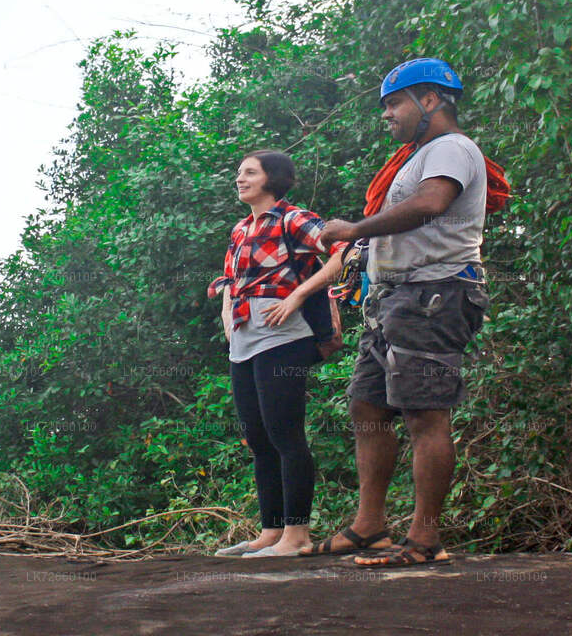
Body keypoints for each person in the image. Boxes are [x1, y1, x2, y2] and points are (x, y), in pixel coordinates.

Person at [298, 58, 509, 567]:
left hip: (434, 295)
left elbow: (431, 204)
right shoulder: (416, 156)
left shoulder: (453, 149)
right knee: (368, 407)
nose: (387, 115)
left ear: (430, 100)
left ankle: (425, 538)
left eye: (394, 104)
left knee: (424, 413)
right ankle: (369, 528)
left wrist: (354, 229)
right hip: (393, 298)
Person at [207, 149, 346, 557]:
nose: (240, 178)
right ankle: (271, 532)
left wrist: (299, 294)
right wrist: (226, 313)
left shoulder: (292, 218)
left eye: (249, 172)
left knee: (285, 434)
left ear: (272, 179)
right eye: (239, 172)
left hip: (284, 337)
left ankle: (297, 535)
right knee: (258, 437)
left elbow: (343, 251)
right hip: (245, 339)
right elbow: (231, 279)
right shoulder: (240, 229)